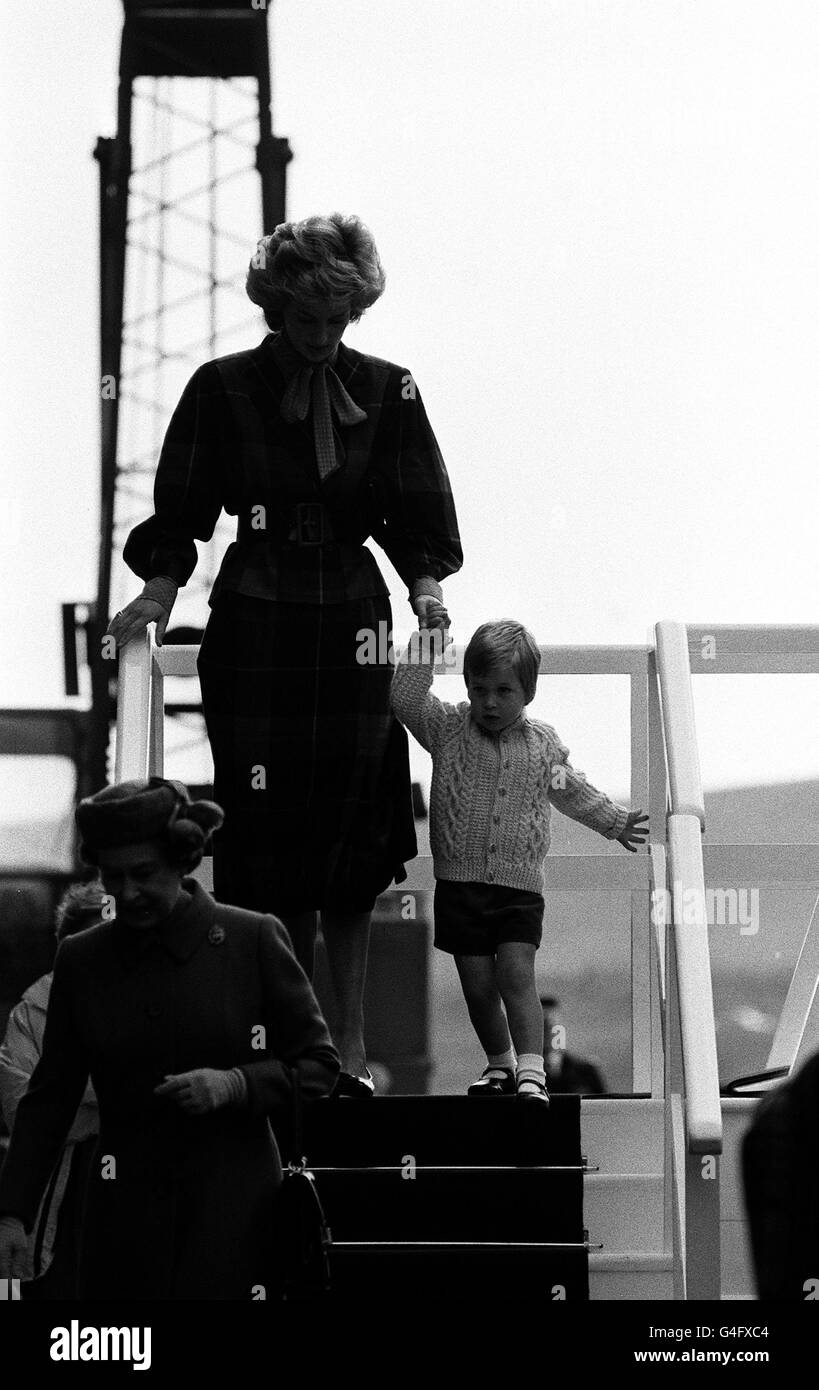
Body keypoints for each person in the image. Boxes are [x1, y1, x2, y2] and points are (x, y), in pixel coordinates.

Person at [107, 213, 462, 1097]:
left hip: (351, 622)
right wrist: (156, 590)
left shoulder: (390, 389)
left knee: (351, 846)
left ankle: (345, 1052)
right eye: (306, 318)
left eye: (337, 320)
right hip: (258, 622)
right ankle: (290, 1052)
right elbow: (180, 513)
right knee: (270, 845)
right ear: (276, 305)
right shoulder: (221, 388)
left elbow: (417, 519)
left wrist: (426, 587)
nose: (320, 337)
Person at [0, 778, 339, 1300]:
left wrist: (235, 1085)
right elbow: (50, 1098)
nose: (128, 892)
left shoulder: (252, 939)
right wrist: (13, 1213)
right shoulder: (83, 961)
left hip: (235, 1212)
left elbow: (318, 1066)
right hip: (123, 1221)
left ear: (182, 862)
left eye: (143, 874)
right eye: (114, 877)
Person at [390, 621, 648, 1103]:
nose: (489, 702)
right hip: (459, 887)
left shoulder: (543, 744)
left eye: (504, 690)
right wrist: (427, 640)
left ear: (527, 691)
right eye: (479, 688)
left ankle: (532, 1072)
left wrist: (614, 821)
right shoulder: (447, 729)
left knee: (515, 972)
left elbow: (571, 791)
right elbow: (404, 696)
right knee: (477, 982)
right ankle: (499, 1066)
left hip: (518, 887)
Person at [0, 880, 105, 1298]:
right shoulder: (31, 1011)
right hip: (49, 1193)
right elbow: (21, 1112)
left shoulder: (149, 1004)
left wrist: (61, 1102)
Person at [540, 995, 606, 1095]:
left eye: (552, 1027)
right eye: (543, 1028)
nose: (548, 1034)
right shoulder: (521, 1076)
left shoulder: (585, 1072)